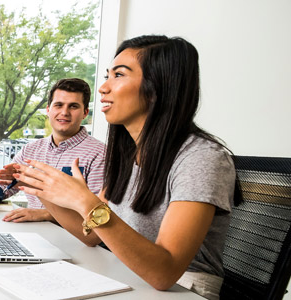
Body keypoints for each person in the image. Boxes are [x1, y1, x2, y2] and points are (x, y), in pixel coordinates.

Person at [12, 35, 239, 299]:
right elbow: (91, 237)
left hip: (184, 288)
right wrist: (44, 190)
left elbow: (165, 273)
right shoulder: (128, 155)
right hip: (123, 273)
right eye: (108, 75)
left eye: (118, 75)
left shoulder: (202, 157)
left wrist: (85, 202)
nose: (103, 88)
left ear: (157, 88)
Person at [0, 78, 106, 223]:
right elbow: (4, 185)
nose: (64, 112)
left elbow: (97, 213)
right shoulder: (30, 150)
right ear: (48, 110)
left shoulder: (99, 154)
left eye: (73, 106)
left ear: (85, 112)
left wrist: (45, 214)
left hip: (76, 240)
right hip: (34, 232)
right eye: (58, 105)